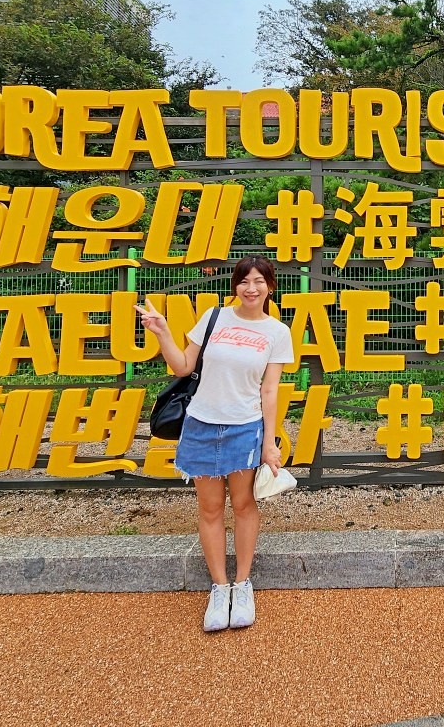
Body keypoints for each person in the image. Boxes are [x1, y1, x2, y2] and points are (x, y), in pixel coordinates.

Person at [135, 255, 294, 632]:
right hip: (201, 425)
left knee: (243, 504)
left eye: (258, 281)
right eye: (243, 280)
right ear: (235, 285)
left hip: (244, 427)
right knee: (209, 509)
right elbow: (182, 367)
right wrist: (163, 334)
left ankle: (243, 584)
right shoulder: (213, 317)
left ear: (270, 286)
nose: (250, 288)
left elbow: (269, 389)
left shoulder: (277, 332)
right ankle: (219, 588)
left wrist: (270, 442)